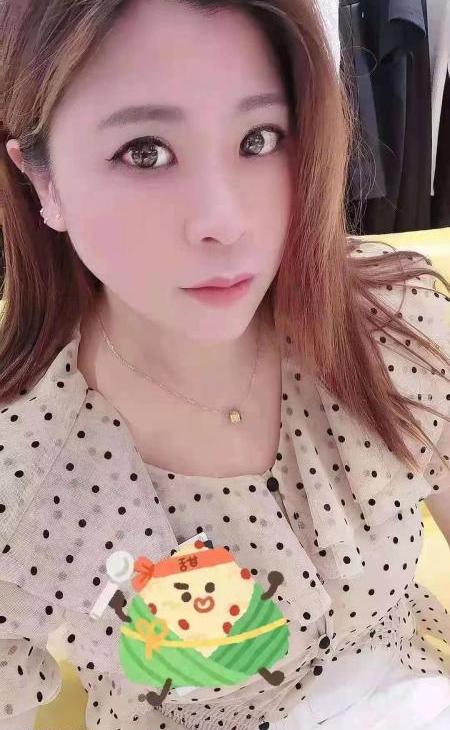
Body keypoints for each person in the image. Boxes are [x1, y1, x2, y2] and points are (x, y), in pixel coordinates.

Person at [1, 0, 450, 729]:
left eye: (259, 138)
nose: (225, 220)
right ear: (42, 182)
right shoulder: (25, 474)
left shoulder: (389, 327)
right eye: (145, 152)